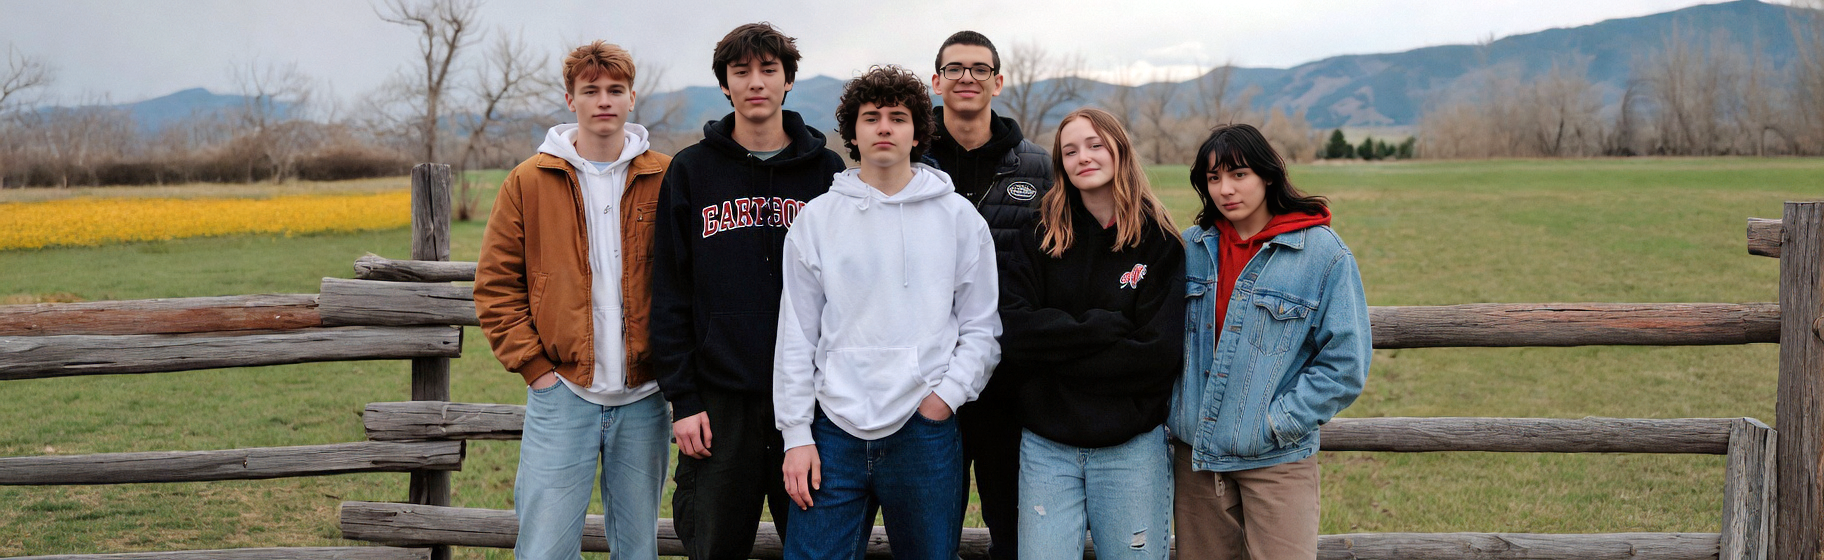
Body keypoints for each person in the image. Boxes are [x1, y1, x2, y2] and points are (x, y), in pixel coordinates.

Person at [773, 65, 1001, 560]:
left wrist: (946, 397)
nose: (883, 127)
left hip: (924, 428)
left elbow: (982, 326)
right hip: (833, 428)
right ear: (852, 131)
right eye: (870, 117)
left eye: (897, 117)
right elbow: (796, 335)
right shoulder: (817, 220)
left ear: (917, 131)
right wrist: (796, 435)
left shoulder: (959, 218)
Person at [650, 22, 848, 560]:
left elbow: (849, 288)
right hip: (719, 403)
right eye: (742, 73)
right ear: (725, 86)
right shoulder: (692, 171)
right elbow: (668, 291)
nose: (755, 82)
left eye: (768, 70)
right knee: (713, 545)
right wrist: (684, 399)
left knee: (816, 546)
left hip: (810, 399)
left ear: (788, 82)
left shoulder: (827, 173)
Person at [472, 41, 672, 560]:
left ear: (632, 98)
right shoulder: (528, 181)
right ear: (570, 99)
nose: (603, 100)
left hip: (645, 396)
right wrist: (537, 369)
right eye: (591, 91)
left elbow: (689, 283)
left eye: (615, 90)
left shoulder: (667, 177)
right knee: (544, 549)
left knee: (638, 550)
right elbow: (496, 286)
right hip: (563, 392)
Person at [1169, 123, 1372, 559]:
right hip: (1197, 463)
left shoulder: (1321, 254)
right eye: (1213, 178)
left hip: (1277, 462)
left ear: (1268, 175)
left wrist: (1276, 423)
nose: (1226, 189)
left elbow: (1345, 364)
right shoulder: (1189, 249)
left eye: (1238, 174)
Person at [999, 107, 1183, 559]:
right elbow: (1014, 331)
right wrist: (1102, 328)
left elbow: (1157, 355)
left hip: (1131, 448)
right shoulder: (1039, 233)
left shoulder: (1160, 243)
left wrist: (1057, 357)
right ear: (1060, 164)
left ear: (1119, 149)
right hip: (1048, 447)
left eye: (1095, 144)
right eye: (1070, 150)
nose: (1084, 157)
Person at [924, 31, 1052, 559]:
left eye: (979, 69)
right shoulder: (908, 163)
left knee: (1015, 525)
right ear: (936, 82)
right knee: (932, 527)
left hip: (1012, 380)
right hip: (928, 376)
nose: (967, 78)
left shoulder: (1039, 168)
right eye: (954, 69)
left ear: (998, 82)